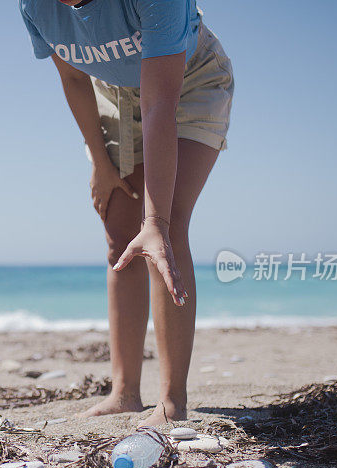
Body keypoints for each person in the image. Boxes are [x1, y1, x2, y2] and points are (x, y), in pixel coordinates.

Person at [19, 0, 234, 424]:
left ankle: (172, 402)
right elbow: (74, 78)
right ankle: (124, 393)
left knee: (165, 229)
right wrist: (100, 163)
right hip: (113, 94)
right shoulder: (35, 6)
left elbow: (160, 104)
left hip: (186, 84)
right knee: (120, 235)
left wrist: (154, 222)